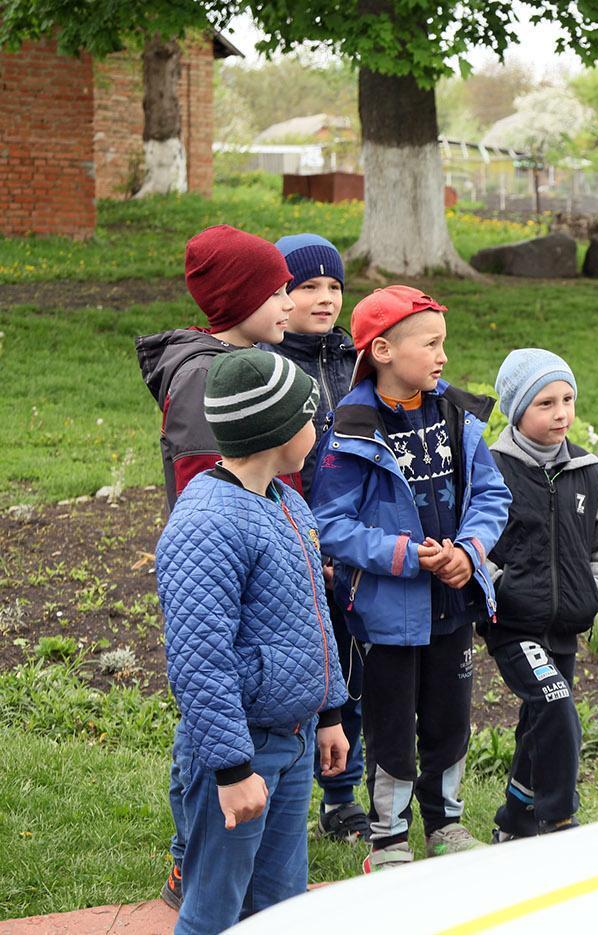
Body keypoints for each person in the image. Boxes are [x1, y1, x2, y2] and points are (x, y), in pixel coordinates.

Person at [311, 285, 511, 872]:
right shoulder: (351, 429)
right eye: (430, 345)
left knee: (450, 719)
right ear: (382, 351)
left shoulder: (456, 414)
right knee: (391, 727)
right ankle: (389, 839)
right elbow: (329, 524)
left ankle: (445, 824)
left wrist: (469, 554)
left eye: (442, 344)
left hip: (452, 604)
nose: (442, 356)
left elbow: (492, 494)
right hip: (387, 612)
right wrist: (403, 554)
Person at [155, 349, 349, 934]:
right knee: (214, 911)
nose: (320, 427)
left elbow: (314, 618)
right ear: (279, 431)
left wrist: (330, 712)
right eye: (312, 416)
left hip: (289, 744)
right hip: (240, 753)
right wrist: (233, 769)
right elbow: (199, 660)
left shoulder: (287, 503)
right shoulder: (208, 522)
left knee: (281, 906)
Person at [135, 224, 296, 909]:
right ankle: (188, 863)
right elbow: (214, 501)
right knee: (206, 723)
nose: (288, 300)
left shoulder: (245, 361)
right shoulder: (209, 377)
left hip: (260, 591)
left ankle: (196, 862)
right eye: (277, 288)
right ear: (238, 299)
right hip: (231, 585)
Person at [483, 349, 598, 842]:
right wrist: (502, 590)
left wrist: (595, 594)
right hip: (514, 626)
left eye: (567, 399)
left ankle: (515, 820)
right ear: (517, 410)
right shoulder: (492, 467)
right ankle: (560, 822)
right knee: (556, 705)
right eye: (545, 403)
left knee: (539, 722)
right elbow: (478, 544)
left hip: (564, 627)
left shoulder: (588, 470)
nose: (561, 413)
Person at [261, 233, 368, 842]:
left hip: (352, 537)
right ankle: (296, 786)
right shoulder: (272, 361)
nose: (325, 298)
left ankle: (342, 796)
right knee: (314, 669)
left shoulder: (354, 359)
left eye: (334, 286)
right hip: (297, 536)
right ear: (282, 293)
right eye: (308, 287)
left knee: (351, 670)